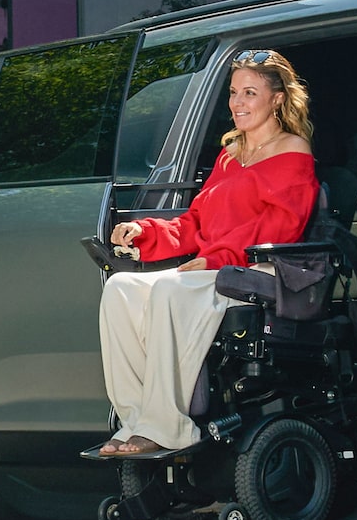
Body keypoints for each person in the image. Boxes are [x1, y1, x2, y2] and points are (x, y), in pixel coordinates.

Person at [96, 49, 319, 456]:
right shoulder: (230, 155)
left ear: (277, 99)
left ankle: (169, 427)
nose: (237, 103)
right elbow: (196, 221)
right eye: (233, 92)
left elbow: (281, 227)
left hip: (258, 270)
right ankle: (136, 421)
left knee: (169, 290)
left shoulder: (293, 151)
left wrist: (218, 259)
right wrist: (145, 232)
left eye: (250, 93)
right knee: (121, 289)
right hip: (214, 269)